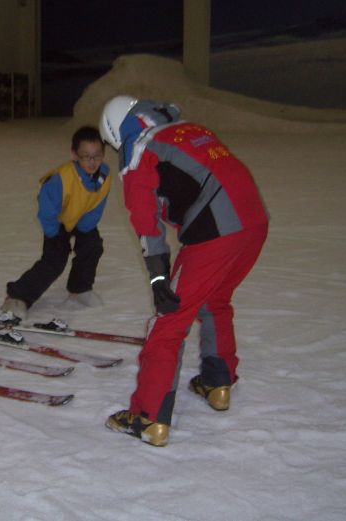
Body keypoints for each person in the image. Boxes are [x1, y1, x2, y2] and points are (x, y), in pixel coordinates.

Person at [99, 96, 269, 447]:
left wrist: (159, 276)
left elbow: (146, 223)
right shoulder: (189, 130)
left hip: (216, 234)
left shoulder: (141, 152)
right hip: (254, 222)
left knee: (168, 322)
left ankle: (149, 419)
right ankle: (217, 383)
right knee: (214, 300)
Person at [1, 126, 112, 321]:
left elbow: (97, 204)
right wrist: (55, 234)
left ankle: (80, 288)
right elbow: (46, 209)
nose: (92, 162)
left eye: (97, 156)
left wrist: (84, 229)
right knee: (55, 260)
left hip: (80, 218)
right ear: (74, 154)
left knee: (92, 246)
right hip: (56, 221)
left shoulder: (104, 175)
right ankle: (17, 296)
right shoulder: (60, 178)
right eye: (86, 156)